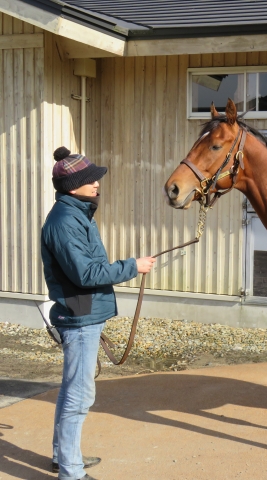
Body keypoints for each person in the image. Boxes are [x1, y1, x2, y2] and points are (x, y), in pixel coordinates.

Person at [41, 146, 156, 480]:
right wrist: (133, 266)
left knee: (73, 390)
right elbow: (86, 274)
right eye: (90, 180)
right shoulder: (65, 221)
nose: (97, 185)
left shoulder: (76, 214)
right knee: (79, 395)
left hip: (83, 313)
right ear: (72, 186)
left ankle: (63, 457)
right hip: (79, 317)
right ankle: (71, 473)